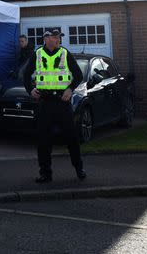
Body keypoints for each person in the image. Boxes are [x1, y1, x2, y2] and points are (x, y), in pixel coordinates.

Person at [23, 27, 86, 183]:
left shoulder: (65, 53)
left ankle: (79, 169)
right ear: (46, 38)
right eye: (55, 37)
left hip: (62, 103)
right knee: (43, 140)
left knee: (71, 137)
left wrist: (70, 89)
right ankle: (45, 173)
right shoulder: (37, 54)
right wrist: (30, 89)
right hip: (45, 103)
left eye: (59, 37)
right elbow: (25, 74)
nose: (58, 39)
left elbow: (78, 75)